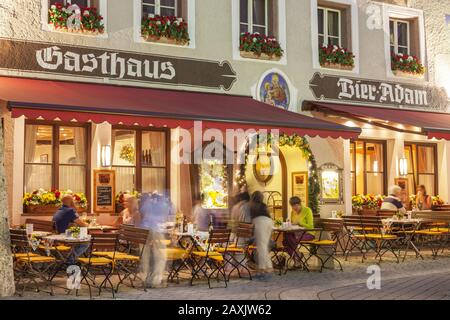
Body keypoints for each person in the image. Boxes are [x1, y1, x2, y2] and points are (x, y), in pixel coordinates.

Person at [139, 192, 173, 288]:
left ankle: (144, 278)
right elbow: (166, 215)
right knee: (161, 256)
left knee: (145, 256)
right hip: (157, 230)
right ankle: (156, 280)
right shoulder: (163, 204)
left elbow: (142, 211)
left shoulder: (147, 203)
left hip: (144, 230)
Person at [52, 194, 89, 265]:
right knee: (85, 243)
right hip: (64, 237)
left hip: (57, 236)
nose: (74, 202)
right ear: (71, 202)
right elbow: (82, 224)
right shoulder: (70, 211)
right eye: (73, 201)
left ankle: (73, 259)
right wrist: (87, 225)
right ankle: (70, 260)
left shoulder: (59, 209)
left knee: (80, 239)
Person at [249, 191, 273, 279]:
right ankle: (269, 267)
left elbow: (250, 218)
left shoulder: (253, 206)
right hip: (269, 222)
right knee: (264, 245)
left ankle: (262, 268)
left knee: (261, 246)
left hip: (260, 222)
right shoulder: (264, 205)